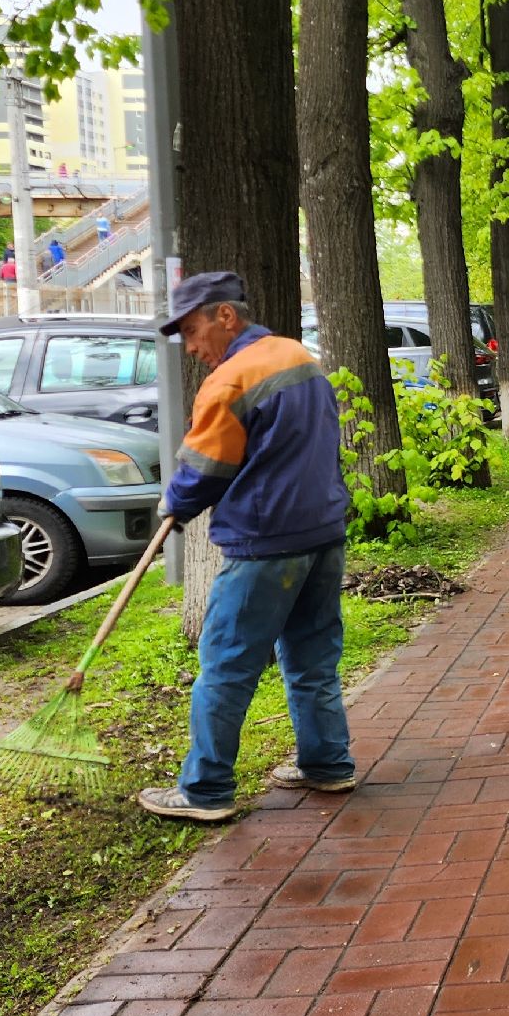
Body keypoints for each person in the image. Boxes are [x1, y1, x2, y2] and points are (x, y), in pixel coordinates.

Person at [136, 272, 355, 823]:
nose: (191, 348)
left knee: (227, 664)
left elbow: (207, 467)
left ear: (224, 316)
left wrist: (174, 504)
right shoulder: (297, 355)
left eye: (191, 331)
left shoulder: (231, 380)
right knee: (313, 657)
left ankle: (205, 790)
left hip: (266, 543)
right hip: (322, 532)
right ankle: (328, 764)